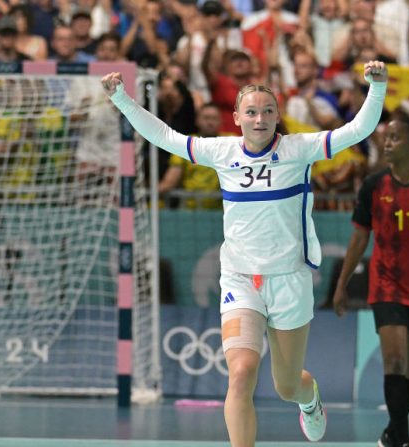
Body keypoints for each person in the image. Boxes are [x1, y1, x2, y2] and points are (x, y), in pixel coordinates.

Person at [102, 60, 389, 446]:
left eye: (267, 111)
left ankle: (309, 401)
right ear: (236, 117)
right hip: (240, 279)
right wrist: (121, 98)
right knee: (240, 374)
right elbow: (165, 136)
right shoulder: (220, 152)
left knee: (288, 386)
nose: (259, 119)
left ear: (277, 116)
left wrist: (378, 86)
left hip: (289, 279)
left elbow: (359, 129)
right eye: (251, 112)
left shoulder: (298, 149)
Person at [332, 115, 409, 447]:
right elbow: (359, 238)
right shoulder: (373, 185)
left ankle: (393, 431)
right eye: (385, 138)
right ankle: (402, 439)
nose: (386, 143)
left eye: (395, 138)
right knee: (396, 361)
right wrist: (342, 283)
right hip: (386, 283)